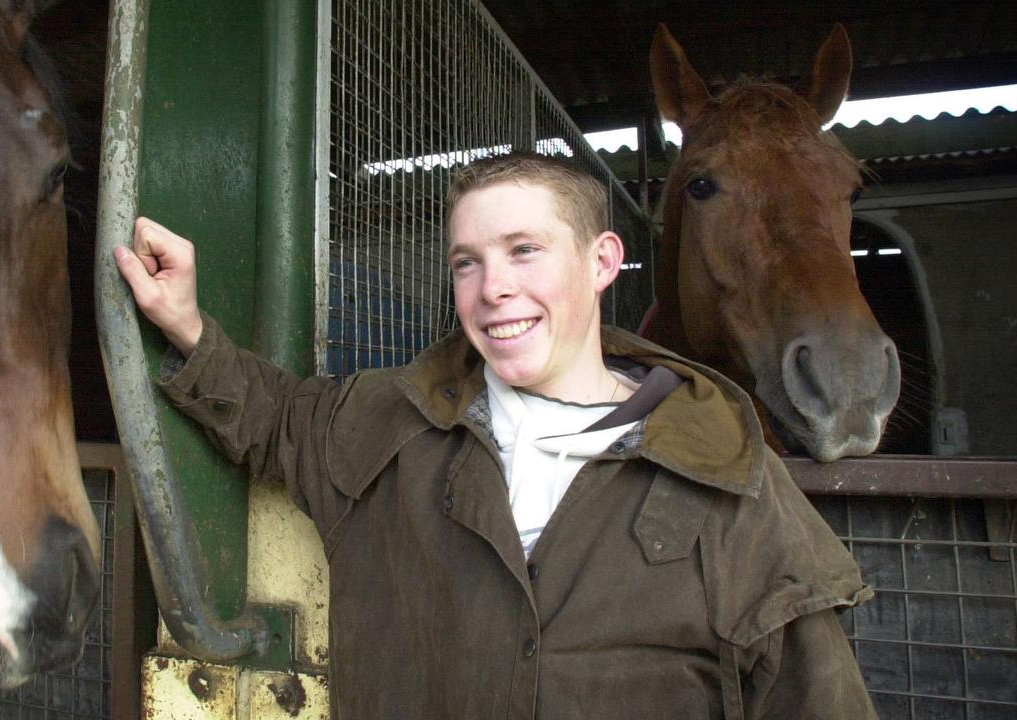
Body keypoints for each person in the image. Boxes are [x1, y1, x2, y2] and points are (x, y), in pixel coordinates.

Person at [114, 151, 877, 719]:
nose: (494, 289)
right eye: (467, 264)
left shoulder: (728, 469)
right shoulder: (392, 423)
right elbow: (274, 417)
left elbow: (816, 697)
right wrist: (184, 324)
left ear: (603, 260)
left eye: (524, 251)